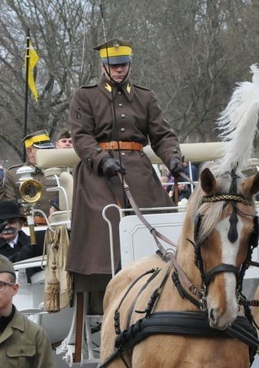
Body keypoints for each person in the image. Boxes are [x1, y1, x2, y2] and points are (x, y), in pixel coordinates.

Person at [67, 39, 183, 296]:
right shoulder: (85, 96)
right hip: (98, 173)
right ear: (103, 66)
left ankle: (164, 272)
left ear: (130, 65)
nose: (118, 70)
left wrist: (173, 158)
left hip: (138, 170)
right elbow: (81, 136)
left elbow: (163, 135)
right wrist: (100, 159)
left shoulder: (145, 97)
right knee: (102, 220)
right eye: (113, 65)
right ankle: (101, 286)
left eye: (123, 65)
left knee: (160, 213)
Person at [2, 130, 59, 216]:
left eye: (49, 149)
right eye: (44, 150)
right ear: (30, 151)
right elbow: (11, 206)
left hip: (53, 224)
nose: (48, 152)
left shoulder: (58, 171)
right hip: (25, 225)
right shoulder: (13, 174)